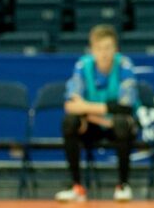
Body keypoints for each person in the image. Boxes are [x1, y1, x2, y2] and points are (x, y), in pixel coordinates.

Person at [55, 25, 139, 202]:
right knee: (70, 122)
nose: (104, 53)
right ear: (92, 50)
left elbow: (126, 106)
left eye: (108, 48)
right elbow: (71, 105)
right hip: (92, 125)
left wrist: (86, 107)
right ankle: (77, 187)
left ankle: (123, 185)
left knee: (122, 122)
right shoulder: (82, 66)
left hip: (117, 128)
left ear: (116, 49)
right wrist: (101, 115)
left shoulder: (124, 65)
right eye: (99, 48)